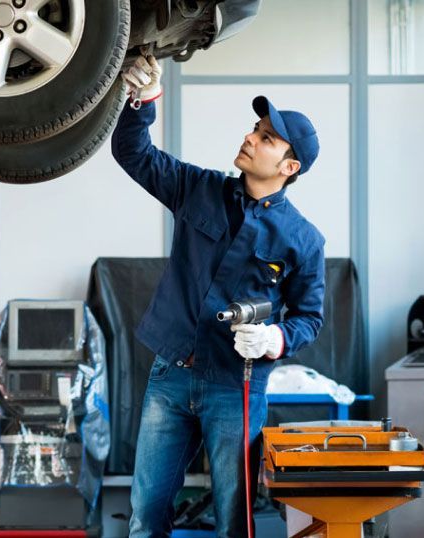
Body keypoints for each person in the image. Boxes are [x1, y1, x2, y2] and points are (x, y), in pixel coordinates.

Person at [112, 55, 327, 538]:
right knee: (146, 516)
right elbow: (135, 154)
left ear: (289, 166)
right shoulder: (199, 189)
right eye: (255, 128)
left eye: (267, 137)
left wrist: (274, 338)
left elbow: (310, 318)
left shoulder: (304, 240)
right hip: (169, 378)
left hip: (236, 387)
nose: (250, 137)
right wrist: (143, 103)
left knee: (234, 521)